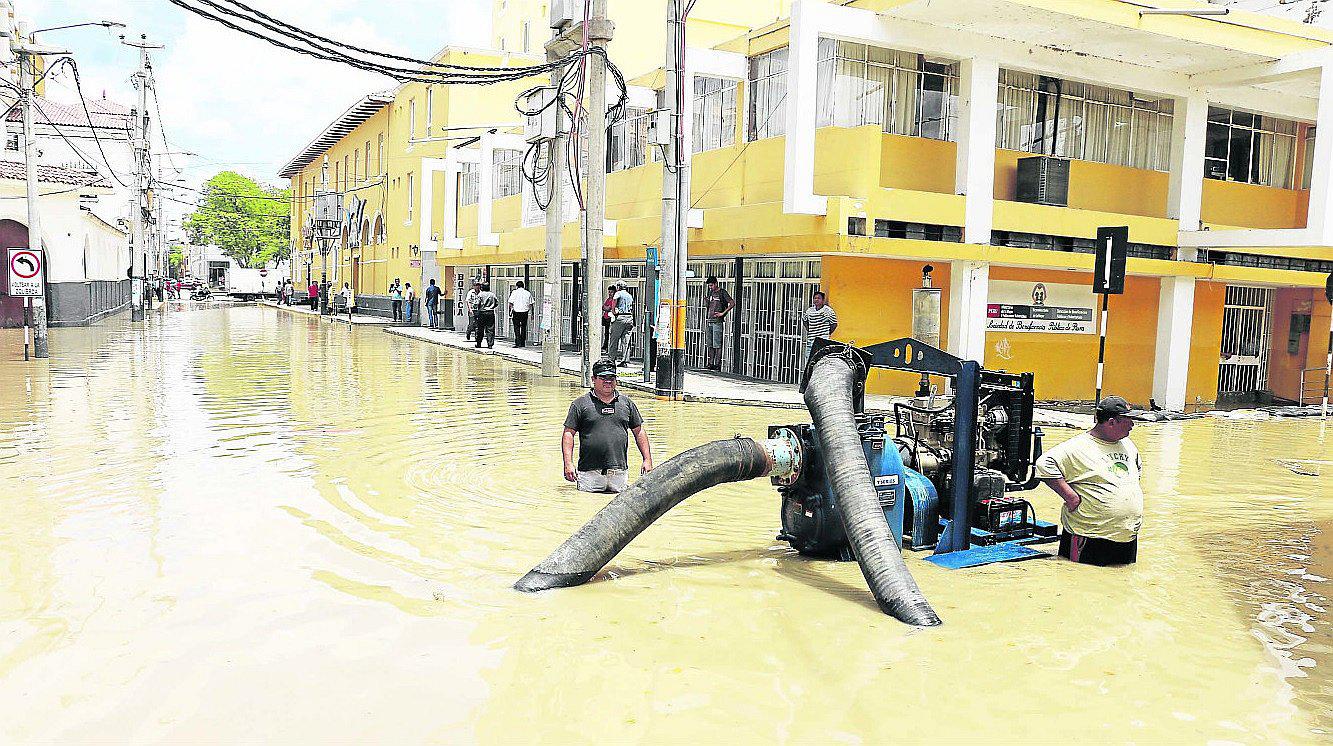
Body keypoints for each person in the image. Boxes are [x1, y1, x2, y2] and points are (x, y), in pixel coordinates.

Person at [1036, 396, 1143, 566]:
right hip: (1089, 537)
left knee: (1122, 583)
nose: (1132, 425)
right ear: (1111, 422)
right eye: (1128, 420)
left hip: (1126, 536)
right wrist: (1071, 497)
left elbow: (1136, 471)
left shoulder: (1128, 444)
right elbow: (1044, 464)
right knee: (1082, 585)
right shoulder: (1078, 447)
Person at [562, 359, 654, 493]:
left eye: (611, 377)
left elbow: (639, 432)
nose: (608, 381)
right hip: (589, 473)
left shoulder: (627, 403)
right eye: (603, 377)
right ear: (593, 379)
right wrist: (568, 463)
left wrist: (647, 459)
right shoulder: (579, 404)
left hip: (619, 473)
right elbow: (568, 434)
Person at [703, 276, 734, 371]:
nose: (710, 287)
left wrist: (722, 313)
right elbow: (708, 306)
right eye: (709, 286)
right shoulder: (710, 292)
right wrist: (706, 301)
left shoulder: (722, 293)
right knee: (710, 344)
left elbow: (732, 303)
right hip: (709, 320)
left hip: (717, 321)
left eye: (711, 285)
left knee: (717, 344)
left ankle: (717, 363)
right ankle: (710, 363)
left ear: (716, 283)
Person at [802, 291, 838, 356]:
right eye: (815, 298)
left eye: (819, 298)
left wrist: (827, 333)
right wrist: (810, 330)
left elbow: (834, 324)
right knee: (808, 358)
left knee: (820, 358)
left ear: (823, 300)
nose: (816, 300)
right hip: (811, 340)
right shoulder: (809, 310)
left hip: (822, 340)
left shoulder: (828, 310)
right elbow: (804, 320)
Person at [607, 283, 635, 366]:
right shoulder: (630, 295)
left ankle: (611, 359)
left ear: (618, 287)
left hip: (620, 318)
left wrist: (613, 310)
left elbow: (614, 300)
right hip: (629, 318)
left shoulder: (618, 293)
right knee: (626, 341)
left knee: (614, 340)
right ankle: (625, 360)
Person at [508, 280, 533, 347]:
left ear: (517, 286)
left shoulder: (514, 292)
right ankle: (522, 342)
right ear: (523, 286)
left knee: (516, 327)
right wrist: (532, 313)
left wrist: (510, 311)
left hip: (516, 312)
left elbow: (510, 303)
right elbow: (531, 304)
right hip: (525, 312)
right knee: (524, 327)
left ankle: (517, 342)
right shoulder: (528, 293)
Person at [474, 282, 499, 349]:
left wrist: (478, 310)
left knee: (480, 329)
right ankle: (490, 344)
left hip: (482, 313)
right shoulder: (492, 295)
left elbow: (476, 304)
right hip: (490, 313)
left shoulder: (480, 295)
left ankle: (479, 343)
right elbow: (497, 303)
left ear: (482, 287)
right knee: (490, 329)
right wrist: (491, 307)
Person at [601, 286, 616, 352]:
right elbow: (603, 307)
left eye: (611, 292)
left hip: (610, 318)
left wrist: (606, 308)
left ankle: (607, 347)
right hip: (606, 318)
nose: (610, 294)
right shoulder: (608, 299)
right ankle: (605, 346)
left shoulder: (613, 300)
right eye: (609, 292)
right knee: (606, 333)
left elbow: (607, 308)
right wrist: (605, 308)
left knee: (610, 334)